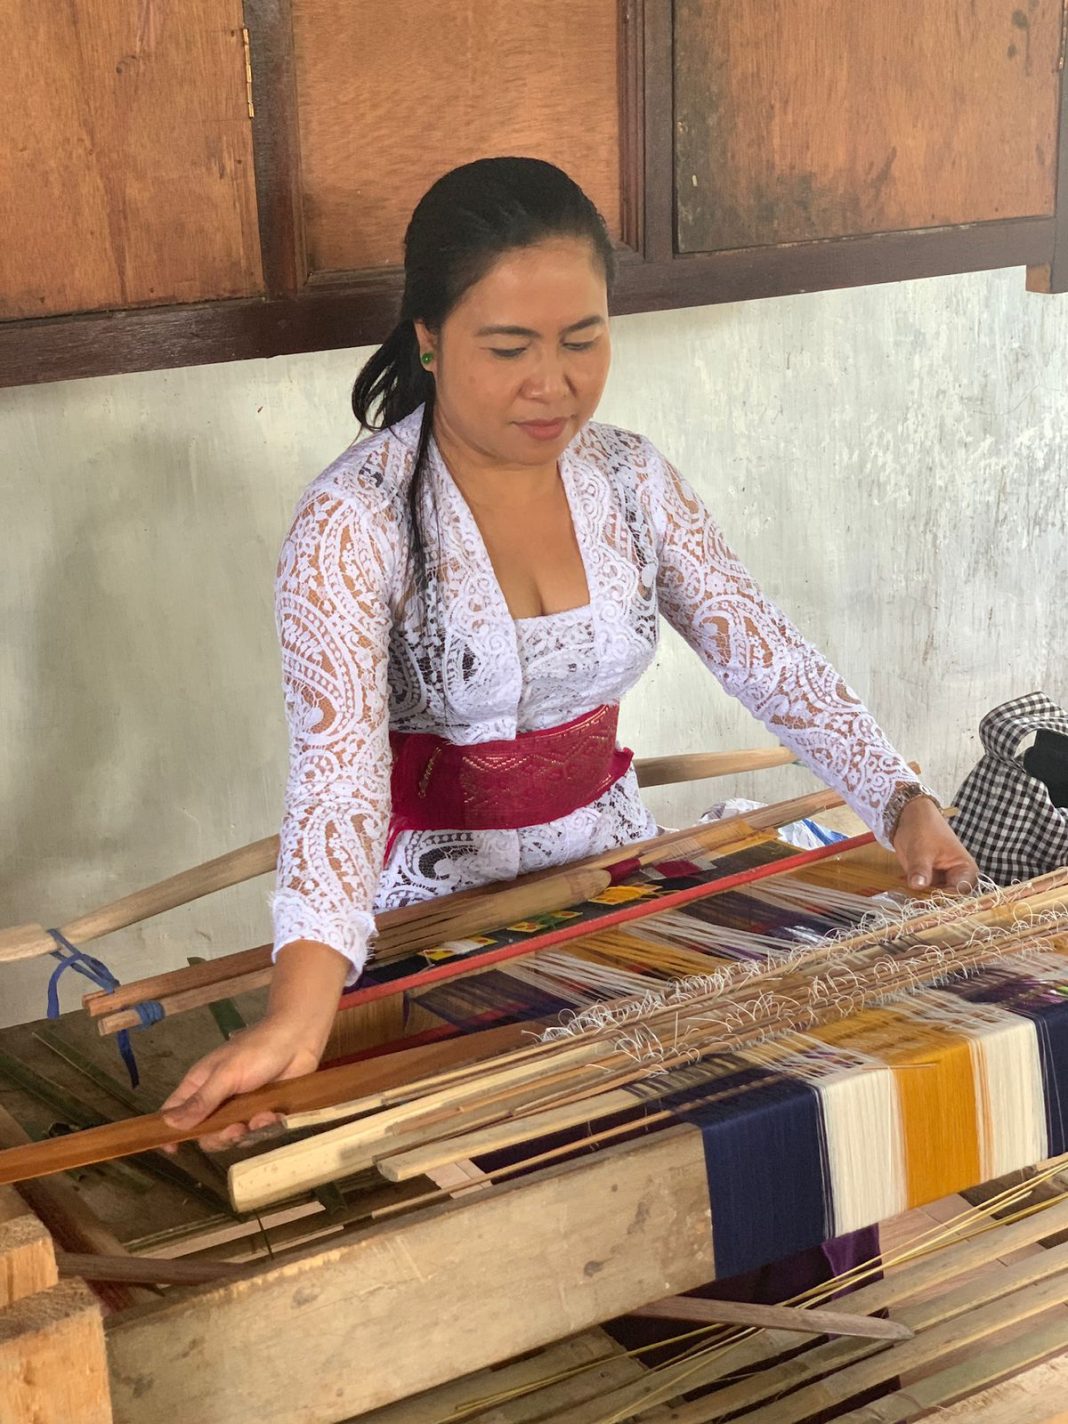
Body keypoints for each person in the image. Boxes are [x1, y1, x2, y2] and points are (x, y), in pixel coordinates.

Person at [161, 157, 977, 1159]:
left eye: (583, 340)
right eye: (509, 347)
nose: (553, 384)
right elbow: (338, 784)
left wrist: (900, 799)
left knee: (755, 1113)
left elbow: (766, 655)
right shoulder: (355, 522)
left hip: (612, 882)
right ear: (428, 337)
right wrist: (298, 1016)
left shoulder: (629, 479)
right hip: (429, 924)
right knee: (526, 1164)